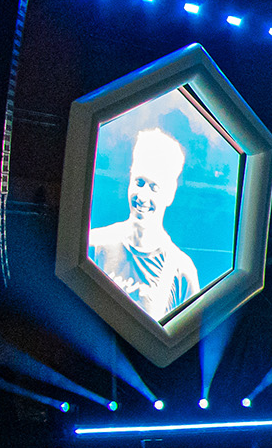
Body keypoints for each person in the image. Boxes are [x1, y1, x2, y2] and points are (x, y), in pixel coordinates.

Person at [86, 124, 204, 320]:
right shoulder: (94, 243)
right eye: (139, 182)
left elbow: (190, 334)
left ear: (169, 194)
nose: (142, 196)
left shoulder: (181, 270)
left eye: (154, 187)